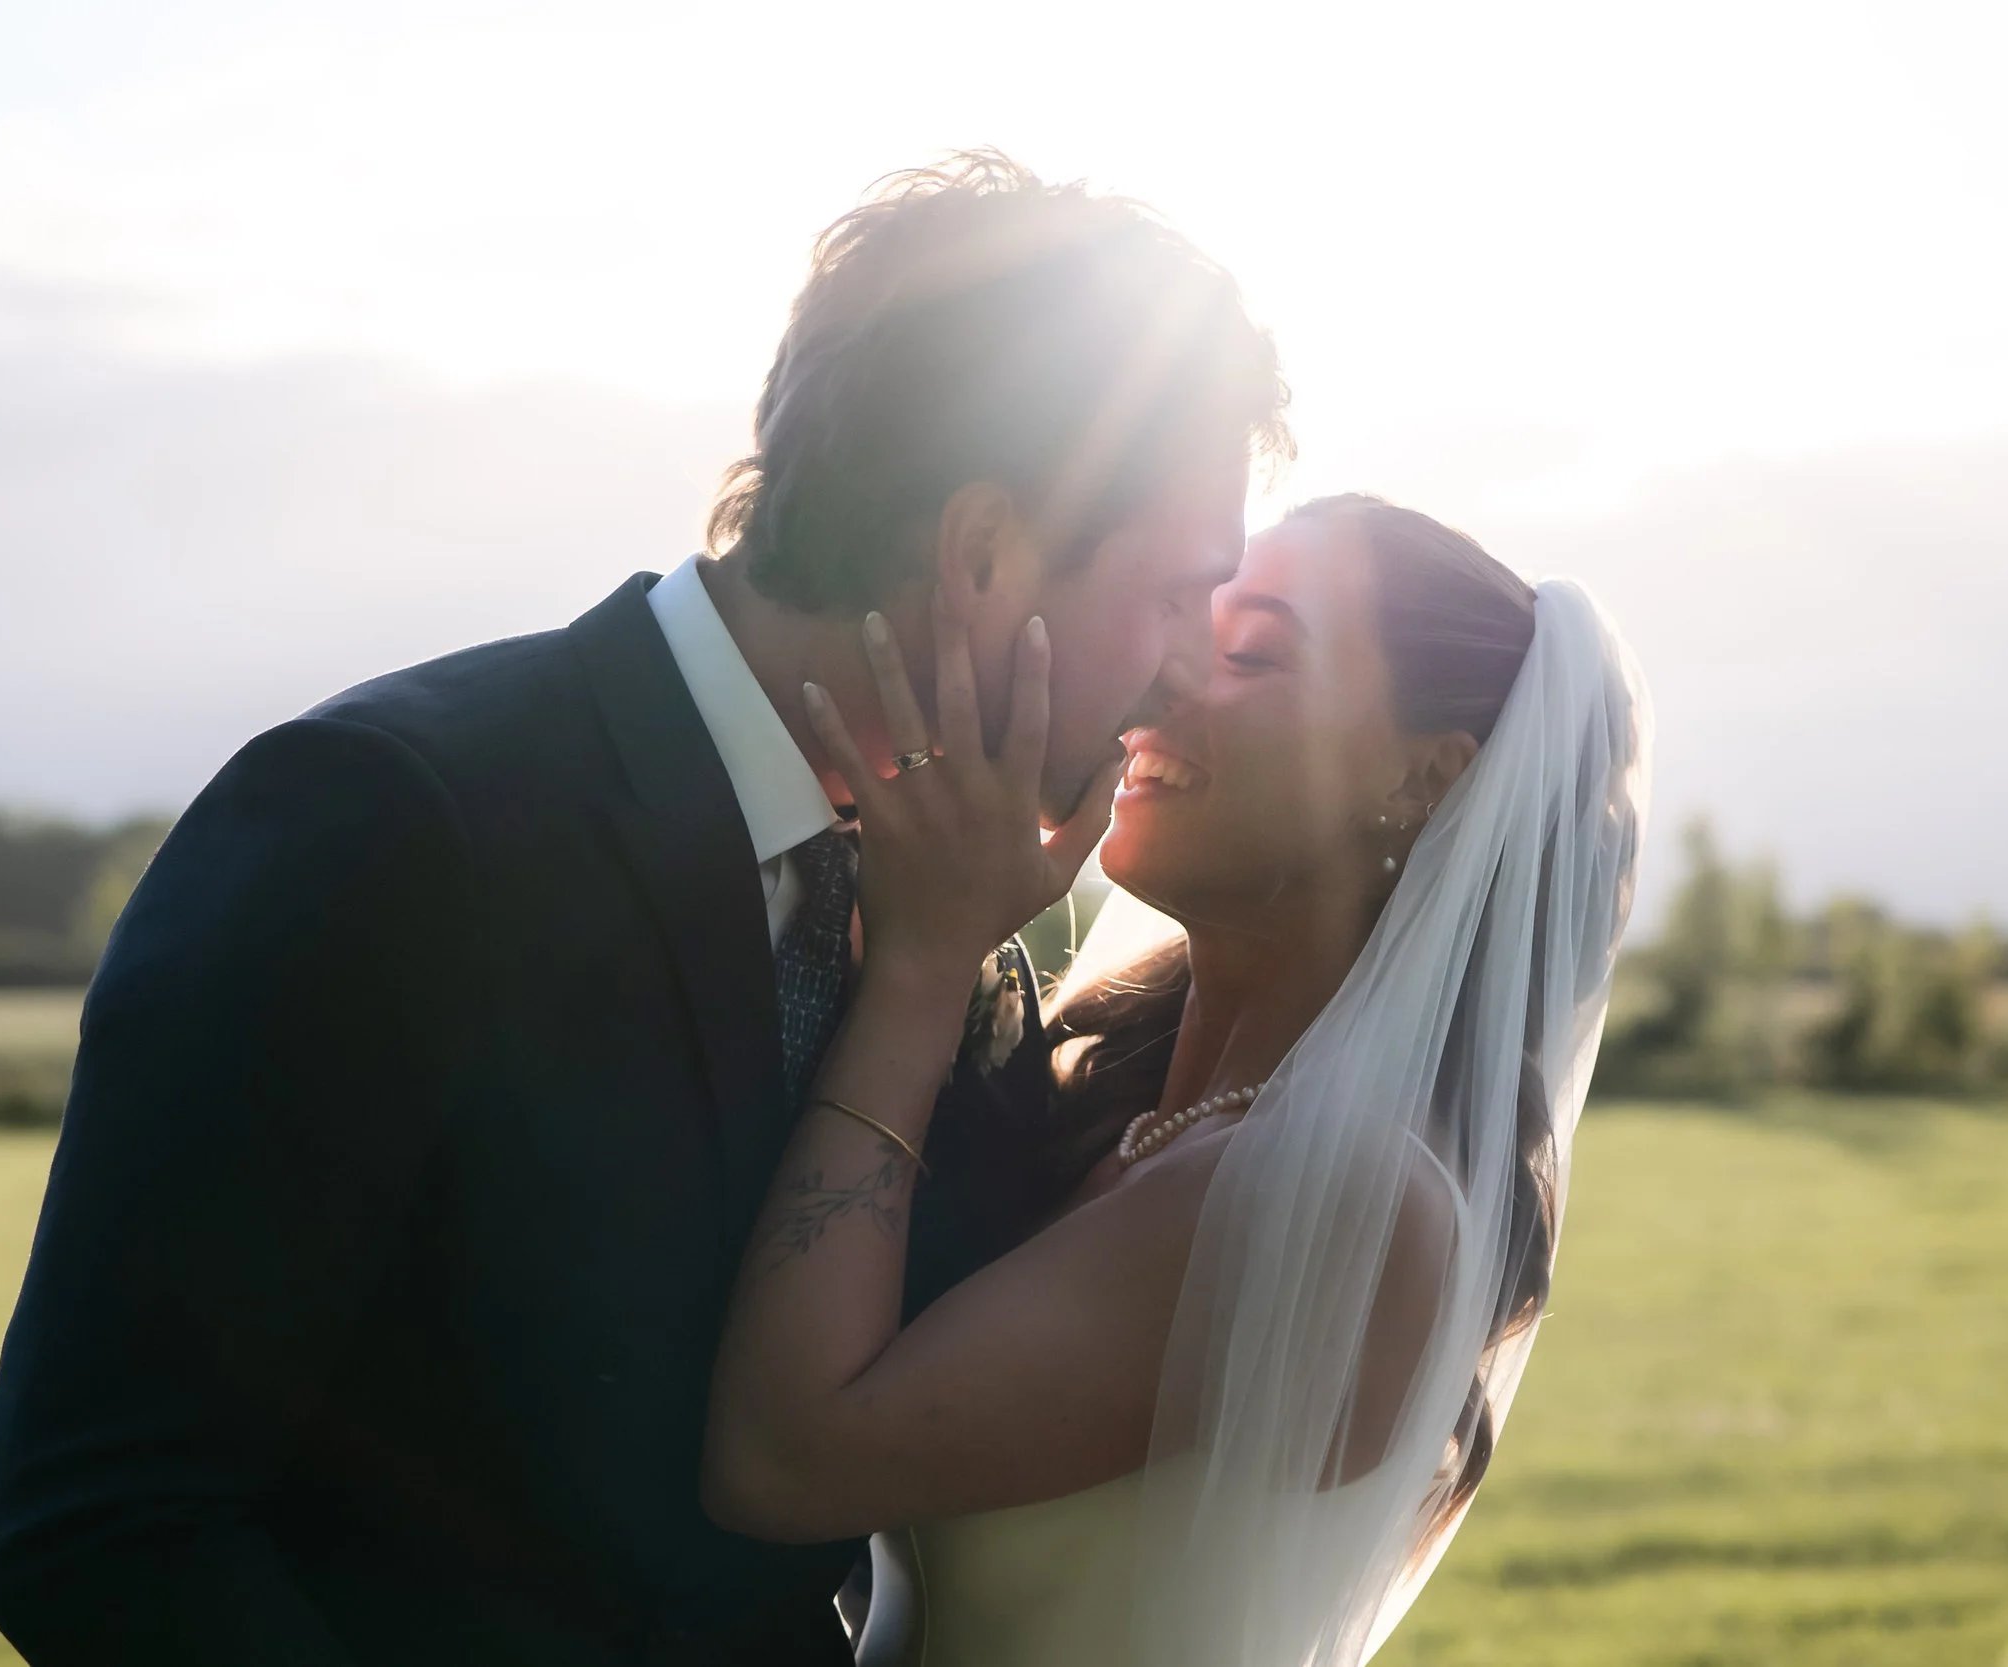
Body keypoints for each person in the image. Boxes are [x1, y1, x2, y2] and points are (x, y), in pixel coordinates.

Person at [0, 152, 1289, 1666]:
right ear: (981, 552)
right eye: (1180, 590)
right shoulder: (391, 821)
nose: (1190, 664)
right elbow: (102, 1521)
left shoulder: (958, 919)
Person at [702, 495, 1651, 1666]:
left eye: (1250, 651)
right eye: (1183, 620)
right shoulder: (1134, 1108)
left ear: (1423, 780)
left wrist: (924, 959)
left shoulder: (1347, 1192)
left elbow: (784, 1459)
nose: (1162, 677)